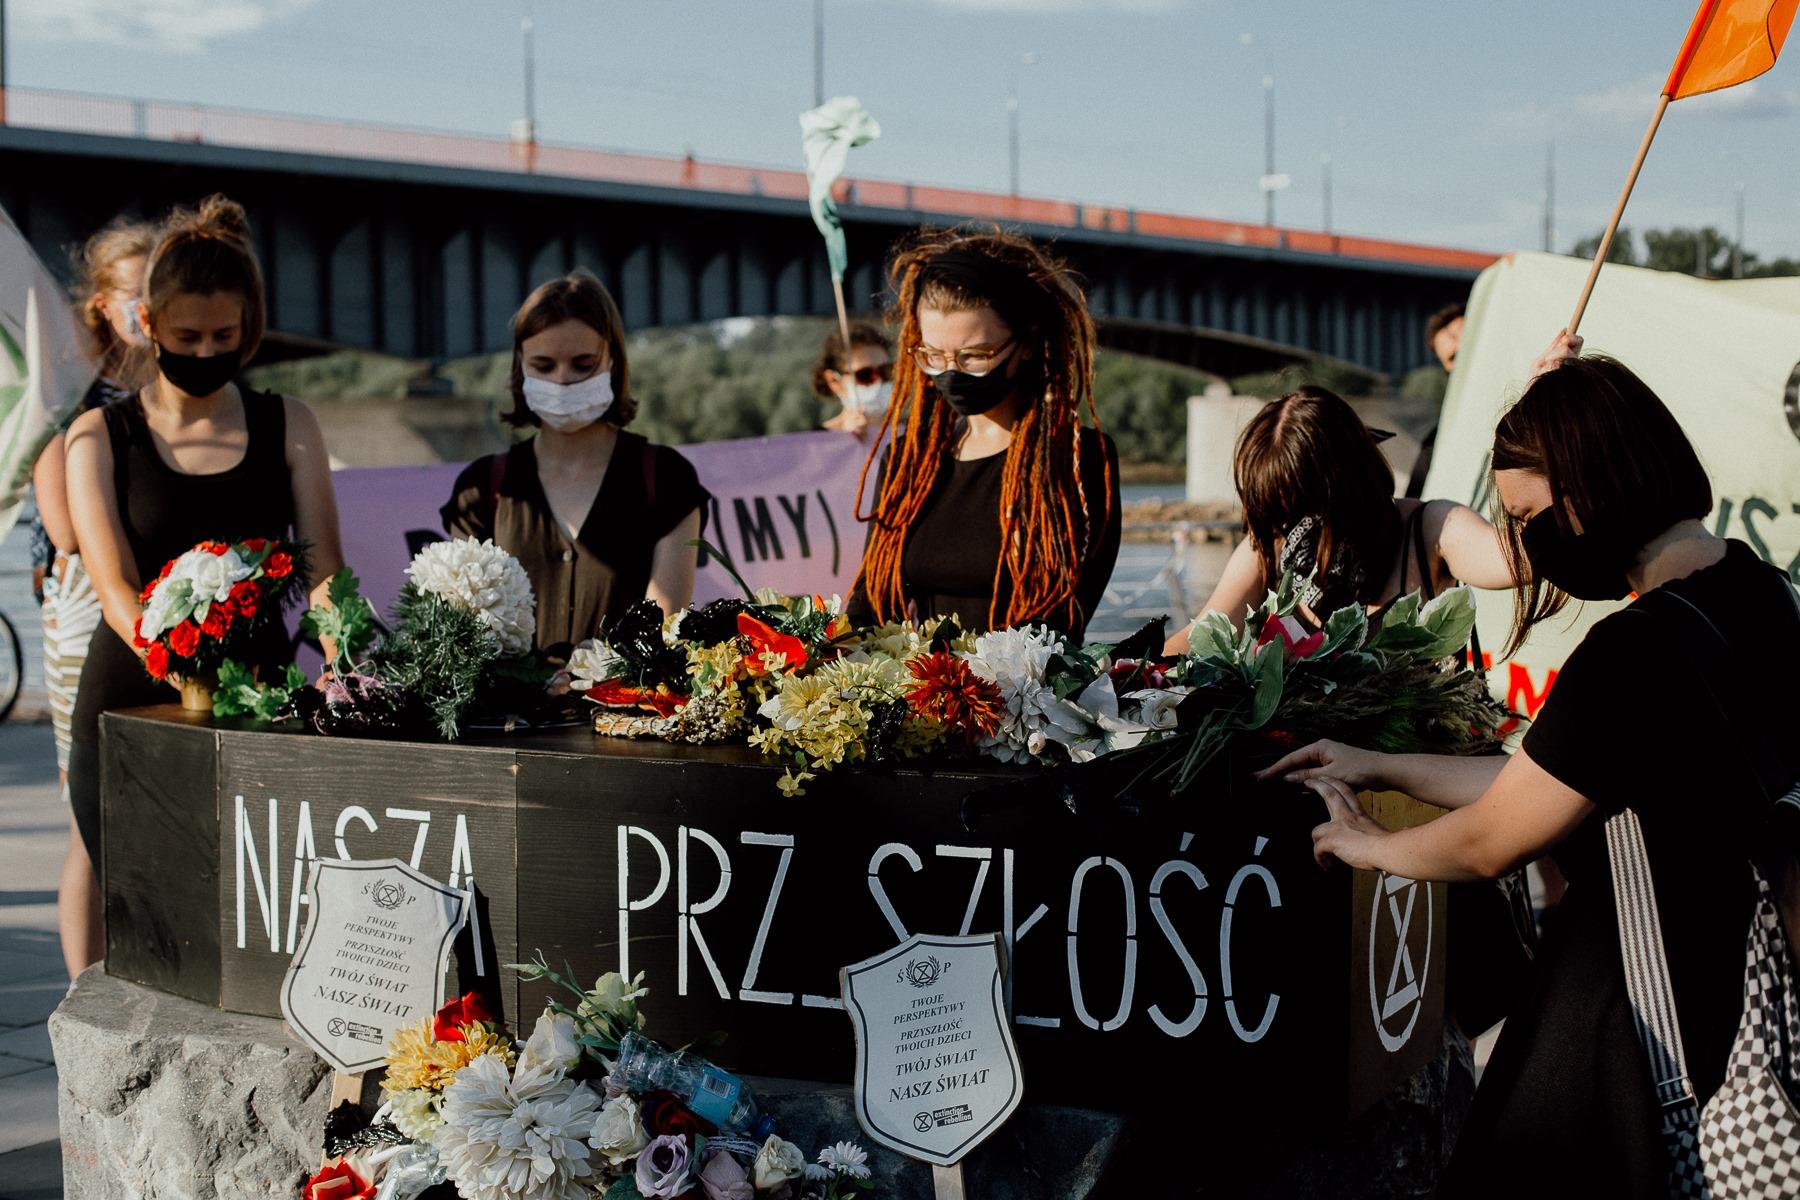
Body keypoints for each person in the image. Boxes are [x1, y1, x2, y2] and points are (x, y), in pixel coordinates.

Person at [1262, 338, 1800, 1197]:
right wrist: (1382, 766)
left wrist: (1368, 846)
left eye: (1525, 515)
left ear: (1588, 487)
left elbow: (1492, 841)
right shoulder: (1759, 590)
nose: (1523, 541)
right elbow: (1551, 781)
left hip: (1645, 1017)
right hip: (1744, 977)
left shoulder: (1632, 651)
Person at [62, 195, 346, 973]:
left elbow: (324, 567)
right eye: (187, 338)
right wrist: (188, 666)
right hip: (127, 708)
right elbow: (116, 587)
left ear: (249, 328)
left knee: (261, 933)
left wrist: (344, 657)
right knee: (149, 935)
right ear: (148, 324)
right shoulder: (98, 435)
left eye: (224, 337)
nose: (206, 351)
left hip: (262, 711)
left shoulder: (290, 423)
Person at [847, 227, 1121, 640]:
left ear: (1027, 345)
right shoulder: (907, 462)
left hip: (1025, 681)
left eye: (974, 356)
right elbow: (868, 606)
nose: (950, 372)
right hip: (917, 679)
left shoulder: (1079, 461)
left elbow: (1059, 623)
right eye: (932, 355)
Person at [441, 269, 709, 649]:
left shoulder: (667, 478)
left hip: (628, 689)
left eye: (583, 364)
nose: (563, 380)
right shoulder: (481, 487)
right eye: (543, 366)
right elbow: (463, 635)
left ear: (613, 362)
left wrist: (596, 673)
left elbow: (665, 627)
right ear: (520, 365)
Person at [33, 217, 157, 979]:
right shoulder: (75, 399)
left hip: (167, 605)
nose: (150, 309)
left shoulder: (183, 393)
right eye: (137, 294)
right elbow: (65, 529)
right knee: (91, 811)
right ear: (103, 304)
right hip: (88, 610)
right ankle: (83, 986)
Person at [1163, 384, 1512, 654]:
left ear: (1349, 485)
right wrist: (1135, 671)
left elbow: (1516, 561)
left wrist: (1538, 417)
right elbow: (1200, 639)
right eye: (1277, 511)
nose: (1293, 529)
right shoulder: (1269, 548)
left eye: (1301, 504)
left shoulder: (1430, 528)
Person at [1403, 302, 1465, 499]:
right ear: (1447, 370)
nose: (1465, 357)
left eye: (1468, 344)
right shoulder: (1438, 442)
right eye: (1454, 357)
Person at [813, 321, 893, 439]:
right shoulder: (813, 441)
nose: (879, 381)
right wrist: (846, 440)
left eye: (885, 371)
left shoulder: (913, 432)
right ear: (834, 381)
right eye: (864, 375)